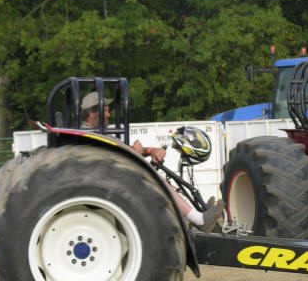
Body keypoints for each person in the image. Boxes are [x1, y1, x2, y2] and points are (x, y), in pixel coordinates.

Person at [80, 91, 223, 232]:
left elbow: (118, 152)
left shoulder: (99, 133)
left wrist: (150, 150)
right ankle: (199, 219)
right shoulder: (88, 136)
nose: (108, 115)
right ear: (91, 113)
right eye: (104, 111)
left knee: (155, 177)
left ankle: (195, 216)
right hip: (107, 185)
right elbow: (105, 162)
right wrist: (134, 154)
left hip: (112, 181)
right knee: (155, 179)